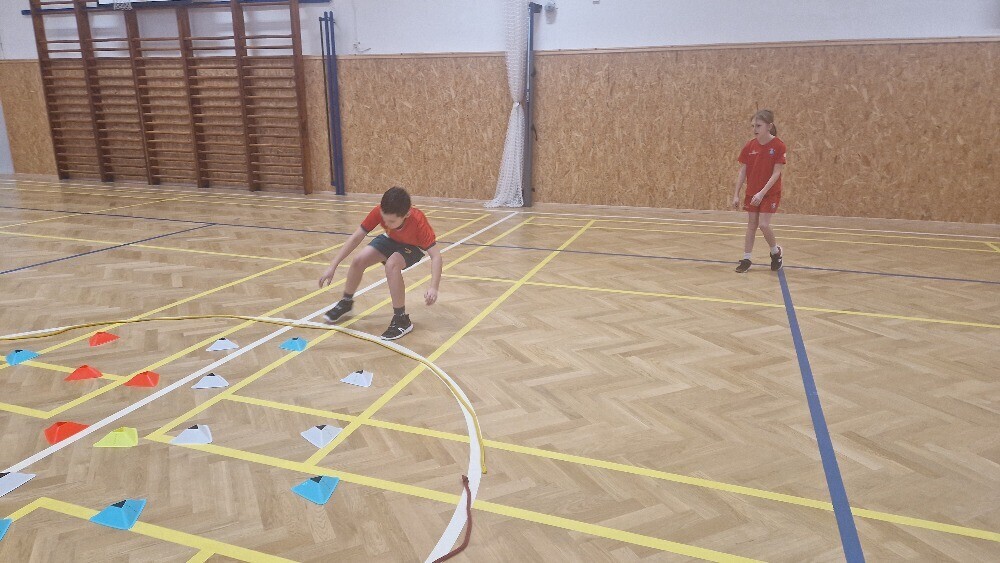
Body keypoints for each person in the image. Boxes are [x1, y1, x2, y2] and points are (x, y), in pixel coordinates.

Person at [318, 187, 441, 340]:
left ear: (407, 214)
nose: (386, 223)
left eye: (392, 221)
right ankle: (346, 302)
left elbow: (436, 256)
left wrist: (433, 287)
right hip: (391, 239)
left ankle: (401, 319)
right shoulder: (379, 211)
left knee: (392, 265)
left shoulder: (418, 222)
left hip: (413, 247)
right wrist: (333, 265)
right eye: (384, 219)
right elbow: (356, 237)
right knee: (359, 260)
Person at [731, 109, 786, 273]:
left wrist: (762, 193)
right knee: (752, 225)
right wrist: (736, 194)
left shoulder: (779, 146)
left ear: (769, 126)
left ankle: (776, 252)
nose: (755, 129)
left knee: (763, 224)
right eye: (753, 126)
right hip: (752, 192)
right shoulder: (749, 146)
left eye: (758, 126)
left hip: (769, 193)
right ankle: (746, 259)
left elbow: (777, 173)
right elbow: (743, 171)